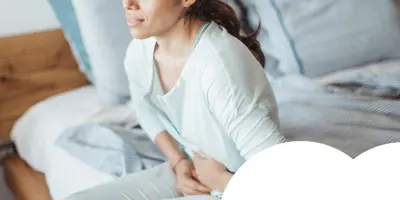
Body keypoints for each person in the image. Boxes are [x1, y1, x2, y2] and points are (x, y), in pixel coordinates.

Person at [66, 0, 285, 199]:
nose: (127, 4)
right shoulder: (141, 51)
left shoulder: (220, 64)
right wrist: (178, 161)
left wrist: (219, 180)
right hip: (195, 170)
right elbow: (147, 113)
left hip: (238, 185)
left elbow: (285, 185)